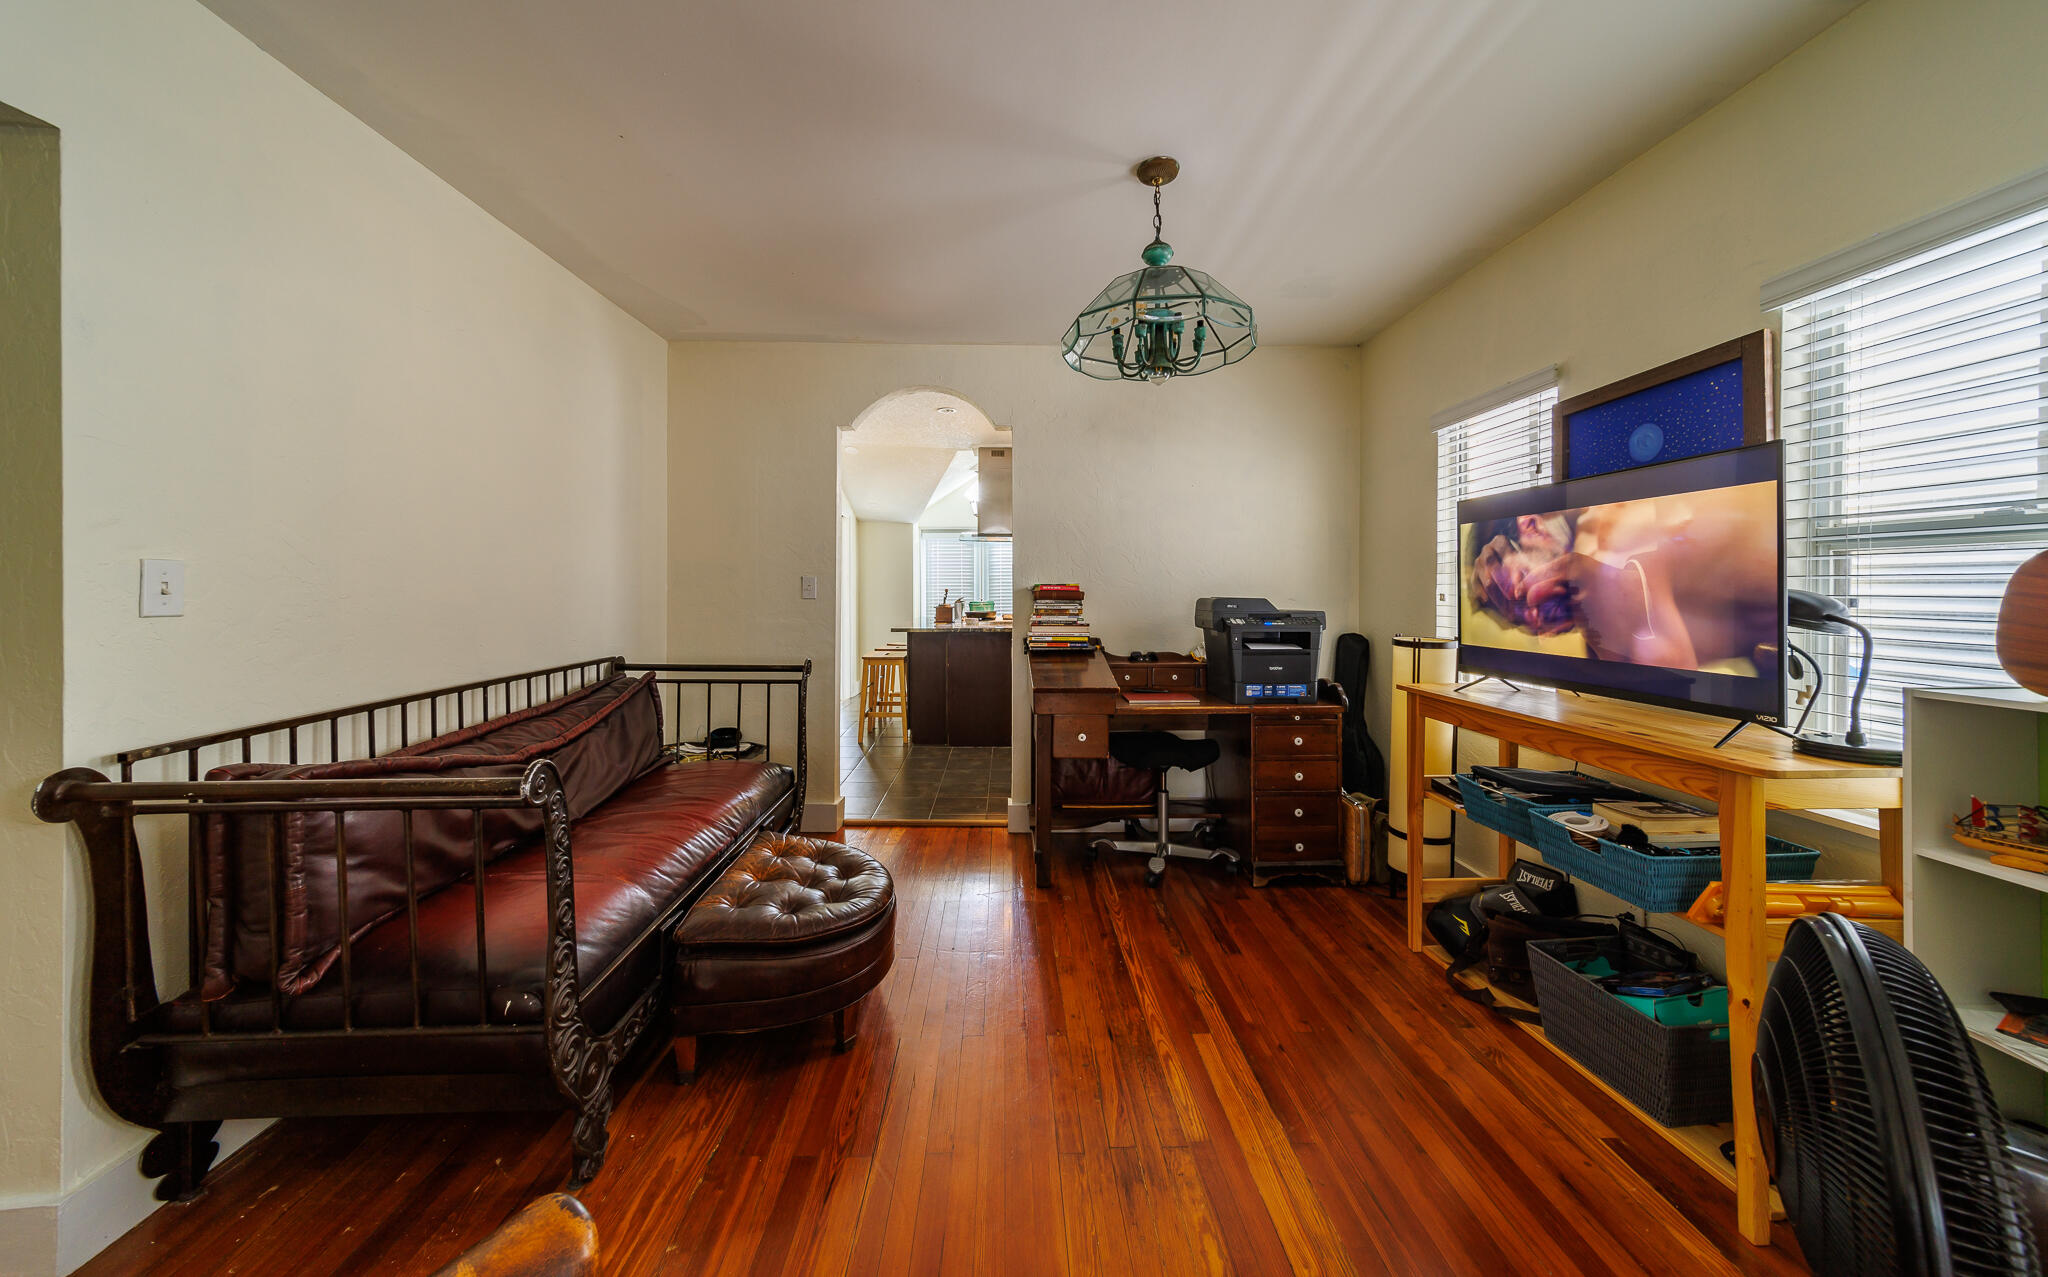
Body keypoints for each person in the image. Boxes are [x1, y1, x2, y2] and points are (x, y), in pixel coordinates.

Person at [1464, 484, 1778, 672]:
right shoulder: (1595, 621)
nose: (1537, 624)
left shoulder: (1614, 533)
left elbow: (1671, 699)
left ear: (1532, 526)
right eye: (1519, 622)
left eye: (1520, 592)